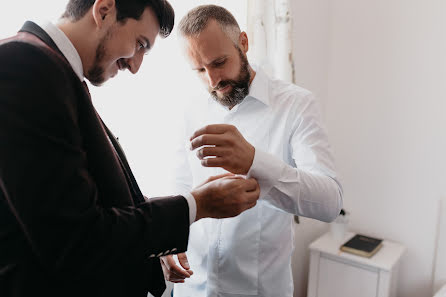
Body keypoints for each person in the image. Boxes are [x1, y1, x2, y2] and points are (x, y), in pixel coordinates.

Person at [0, 1, 260, 297]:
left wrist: (162, 236)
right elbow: (74, 239)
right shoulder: (24, 64)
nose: (135, 66)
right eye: (140, 44)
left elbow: (90, 197)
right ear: (105, 10)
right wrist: (197, 205)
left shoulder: (58, 73)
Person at [160, 5, 343, 297]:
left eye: (219, 62)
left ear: (243, 42)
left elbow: (330, 202)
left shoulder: (297, 106)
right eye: (199, 70)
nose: (213, 81)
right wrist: (167, 241)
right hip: (192, 290)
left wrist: (254, 162)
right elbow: (180, 184)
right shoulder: (190, 108)